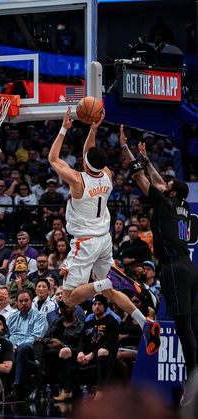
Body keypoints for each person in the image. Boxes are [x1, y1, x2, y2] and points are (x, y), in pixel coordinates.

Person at [48, 107, 160, 356]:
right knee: (109, 292)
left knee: (69, 298)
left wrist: (65, 128)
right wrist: (93, 129)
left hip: (85, 242)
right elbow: (90, 154)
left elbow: (53, 159)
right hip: (104, 239)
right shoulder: (107, 175)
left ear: (84, 162)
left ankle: (111, 279)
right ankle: (146, 323)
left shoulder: (78, 181)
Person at [119, 124, 198, 406]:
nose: (162, 184)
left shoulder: (165, 204)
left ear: (171, 194)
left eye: (167, 186)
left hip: (175, 268)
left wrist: (126, 148)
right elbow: (159, 182)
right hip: (190, 268)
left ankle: (192, 381)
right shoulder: (183, 206)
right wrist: (150, 159)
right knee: (193, 326)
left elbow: (140, 177)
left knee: (183, 326)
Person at [77, 294, 120, 401]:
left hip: (105, 355)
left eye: (99, 304)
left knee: (102, 351)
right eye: (94, 304)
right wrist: (80, 352)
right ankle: (67, 390)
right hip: (87, 354)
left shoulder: (112, 322)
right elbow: (82, 340)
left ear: (105, 306)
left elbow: (108, 343)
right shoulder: (89, 322)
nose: (96, 306)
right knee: (64, 351)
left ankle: (101, 391)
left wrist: (92, 354)